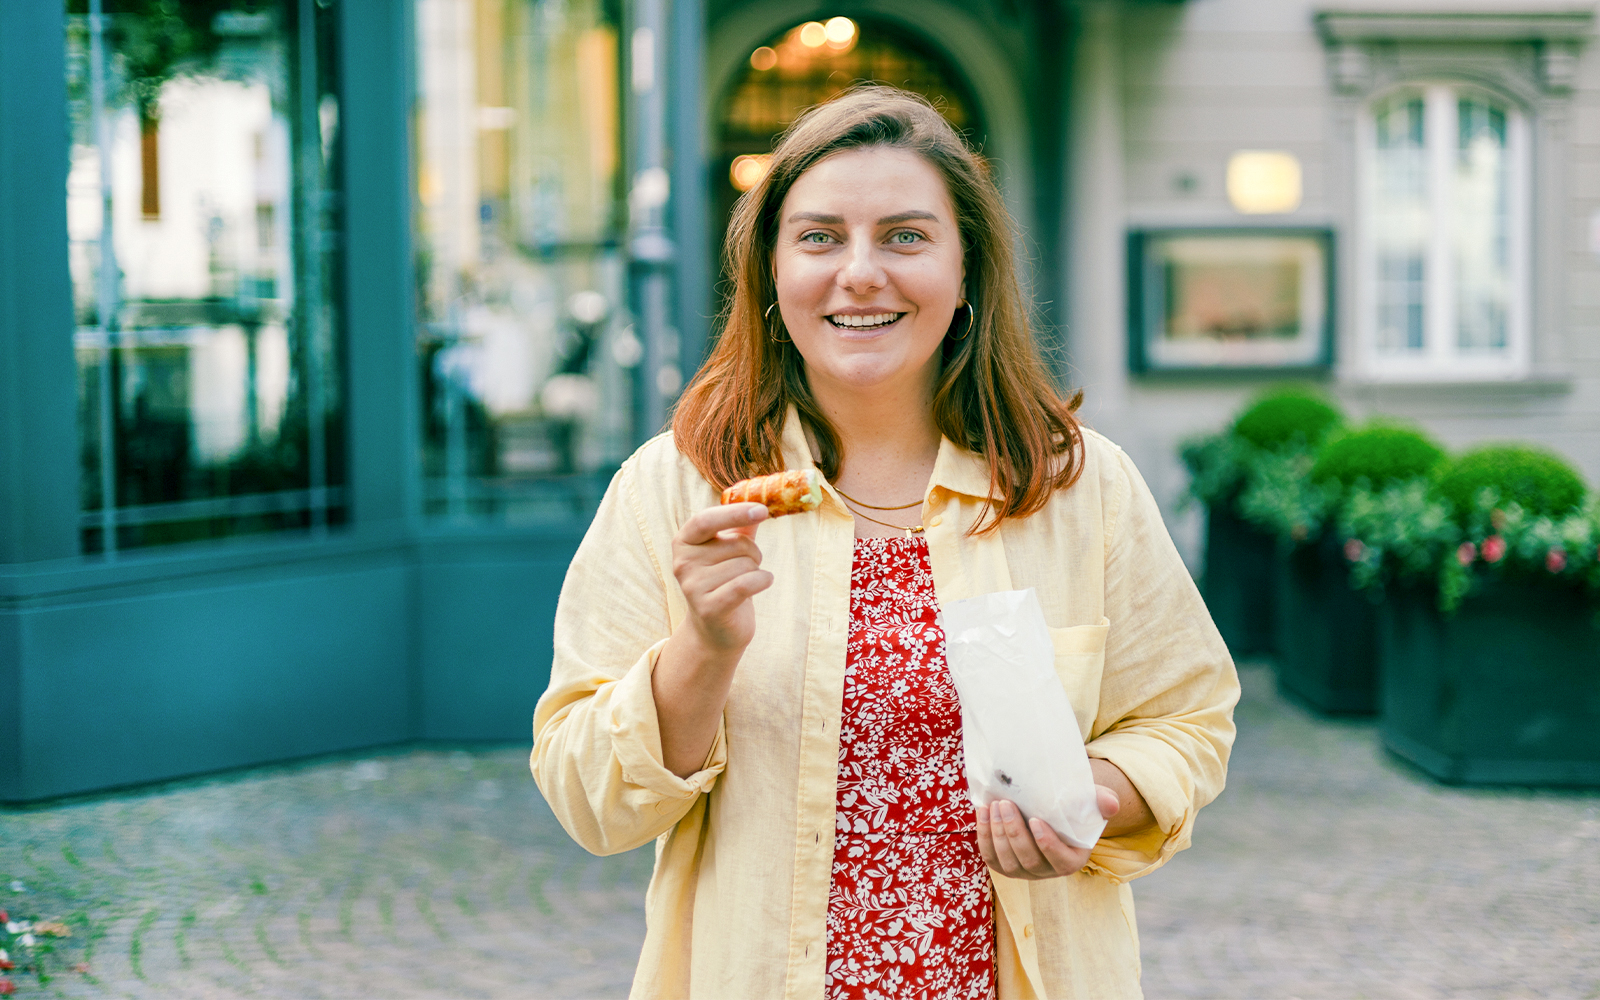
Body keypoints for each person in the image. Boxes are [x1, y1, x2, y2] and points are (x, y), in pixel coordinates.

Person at [532, 85, 1238, 1000]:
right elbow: (588, 798)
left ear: (966, 270)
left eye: (905, 235)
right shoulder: (677, 485)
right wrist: (701, 653)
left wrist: (1094, 794)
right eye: (820, 237)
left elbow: (1186, 719)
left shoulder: (1075, 484)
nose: (860, 272)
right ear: (771, 273)